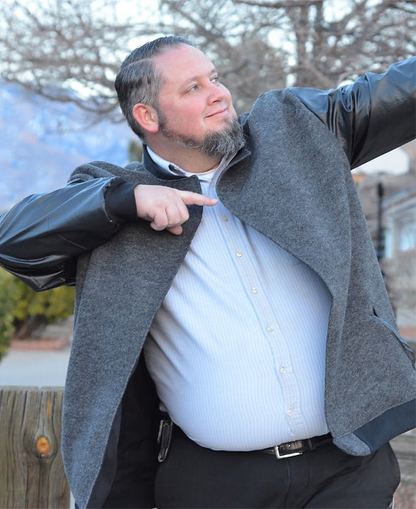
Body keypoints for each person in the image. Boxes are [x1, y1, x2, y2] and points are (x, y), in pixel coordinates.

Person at [1, 35, 416, 509]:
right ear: (148, 117)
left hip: (347, 469)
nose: (219, 92)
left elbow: (393, 92)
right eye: (193, 87)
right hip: (215, 484)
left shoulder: (297, 133)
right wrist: (124, 201)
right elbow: (12, 238)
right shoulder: (113, 199)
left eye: (215, 77)